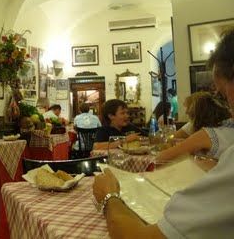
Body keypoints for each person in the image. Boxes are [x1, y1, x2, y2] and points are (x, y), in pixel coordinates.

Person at [93, 29, 234, 238]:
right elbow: (96, 148)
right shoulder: (104, 131)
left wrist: (109, 196)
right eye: (123, 112)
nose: (229, 109)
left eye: (224, 95)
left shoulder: (212, 137)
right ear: (111, 116)